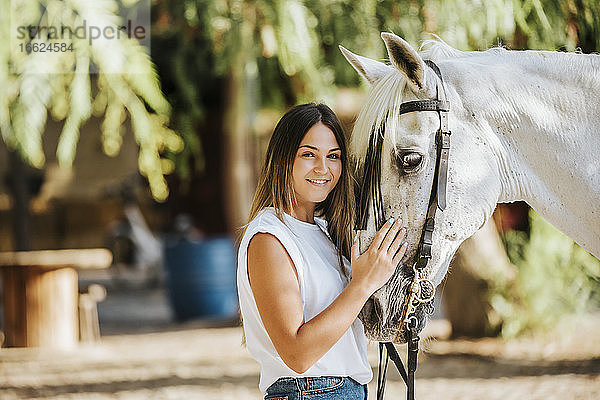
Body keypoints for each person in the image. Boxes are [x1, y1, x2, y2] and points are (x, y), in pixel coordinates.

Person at [237, 103, 408, 399]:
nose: (323, 168)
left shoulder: (327, 233)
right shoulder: (269, 238)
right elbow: (297, 354)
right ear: (282, 159)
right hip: (309, 392)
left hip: (347, 390)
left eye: (333, 156)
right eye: (308, 154)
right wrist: (363, 284)